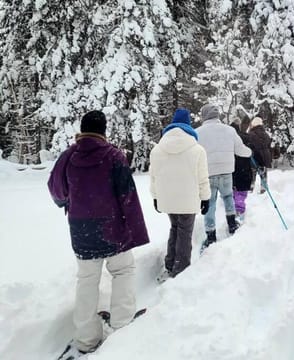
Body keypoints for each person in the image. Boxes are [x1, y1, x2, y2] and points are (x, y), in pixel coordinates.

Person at [47, 110, 149, 355]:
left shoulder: (68, 156)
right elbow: (128, 196)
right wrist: (135, 229)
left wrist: (66, 203)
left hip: (81, 229)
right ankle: (122, 326)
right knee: (123, 271)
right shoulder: (114, 156)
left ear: (82, 130)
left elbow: (55, 189)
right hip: (113, 227)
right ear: (103, 131)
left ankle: (85, 338)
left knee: (87, 280)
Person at [149, 108, 210, 277]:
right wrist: (205, 198)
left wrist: (155, 198)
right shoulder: (198, 150)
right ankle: (181, 269)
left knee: (174, 228)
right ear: (188, 126)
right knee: (184, 232)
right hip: (188, 201)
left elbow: (153, 177)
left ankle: (170, 263)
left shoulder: (157, 150)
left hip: (167, 200)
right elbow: (202, 178)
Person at [196, 104, 252, 251]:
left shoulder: (197, 133)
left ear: (204, 116)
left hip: (208, 173)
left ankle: (211, 235)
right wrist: (250, 153)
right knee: (228, 197)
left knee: (210, 204)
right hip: (227, 171)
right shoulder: (229, 130)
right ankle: (232, 225)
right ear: (217, 115)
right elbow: (241, 150)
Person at [230, 121, 253, 225]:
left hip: (232, 169)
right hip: (245, 169)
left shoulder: (228, 139)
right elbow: (251, 152)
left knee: (233, 191)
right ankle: (240, 212)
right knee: (241, 192)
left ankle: (234, 212)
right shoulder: (246, 137)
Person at [248, 117, 272, 193]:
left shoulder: (251, 134)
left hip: (255, 157)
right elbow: (269, 146)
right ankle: (263, 188)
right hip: (264, 158)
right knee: (263, 173)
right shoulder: (266, 134)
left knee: (252, 173)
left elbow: (249, 145)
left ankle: (251, 187)